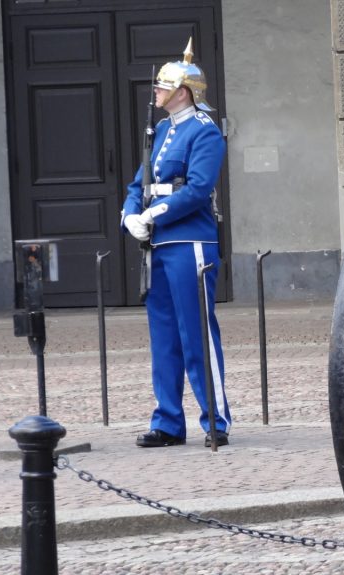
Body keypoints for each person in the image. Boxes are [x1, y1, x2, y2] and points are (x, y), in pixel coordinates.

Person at [121, 39, 230, 448]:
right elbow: (139, 182)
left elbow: (198, 189)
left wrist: (154, 214)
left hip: (190, 242)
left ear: (183, 91)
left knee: (197, 334)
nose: (157, 93)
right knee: (163, 336)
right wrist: (131, 214)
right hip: (160, 246)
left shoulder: (205, 131)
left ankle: (215, 419)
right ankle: (168, 421)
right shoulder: (164, 130)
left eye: (163, 87)